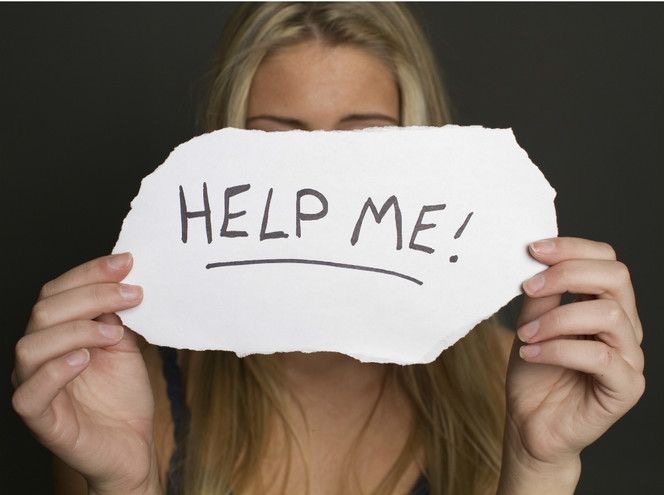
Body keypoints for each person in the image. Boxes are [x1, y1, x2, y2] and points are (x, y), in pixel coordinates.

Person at [11, 3, 645, 495]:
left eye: (362, 141)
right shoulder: (125, 390)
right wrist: (124, 485)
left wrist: (539, 468)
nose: (318, 194)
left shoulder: (516, 374)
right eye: (277, 141)